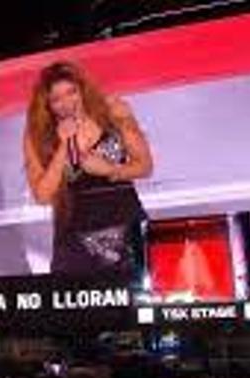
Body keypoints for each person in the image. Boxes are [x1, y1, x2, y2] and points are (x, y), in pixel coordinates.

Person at [23, 60, 153, 280]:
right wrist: (63, 148)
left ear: (82, 89)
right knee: (79, 310)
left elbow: (145, 165)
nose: (66, 102)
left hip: (124, 225)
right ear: (48, 105)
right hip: (74, 238)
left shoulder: (114, 112)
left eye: (71, 92)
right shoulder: (38, 135)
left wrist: (110, 169)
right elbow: (43, 195)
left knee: (134, 305)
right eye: (56, 99)